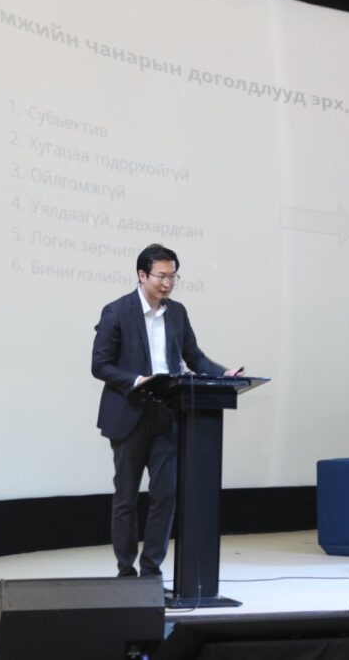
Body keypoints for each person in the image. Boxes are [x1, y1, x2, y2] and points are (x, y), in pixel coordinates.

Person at [91, 243, 239, 579]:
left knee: (166, 495)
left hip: (167, 414)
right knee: (126, 497)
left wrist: (224, 374)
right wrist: (136, 380)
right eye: (161, 276)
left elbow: (193, 357)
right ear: (142, 275)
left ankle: (151, 569)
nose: (168, 283)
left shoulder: (177, 312)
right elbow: (100, 365)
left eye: (173, 276)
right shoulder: (116, 311)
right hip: (129, 415)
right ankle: (126, 571)